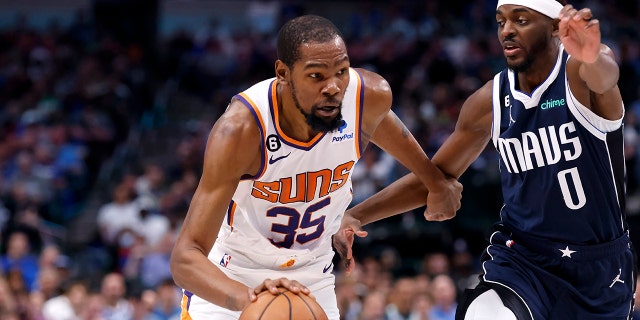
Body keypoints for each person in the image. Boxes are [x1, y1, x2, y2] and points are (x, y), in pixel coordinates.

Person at [334, 1, 635, 319]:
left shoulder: (578, 73)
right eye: (501, 21)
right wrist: (356, 216)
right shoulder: (489, 101)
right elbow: (437, 177)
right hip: (524, 261)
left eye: (521, 20)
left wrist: (592, 54)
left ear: (554, 28)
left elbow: (604, 75)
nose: (507, 30)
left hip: (600, 268)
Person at [169, 14, 462, 320]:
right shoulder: (242, 130)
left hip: (311, 277)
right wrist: (252, 301)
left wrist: (435, 182)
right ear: (283, 73)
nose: (333, 87)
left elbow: (408, 152)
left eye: (341, 71)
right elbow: (185, 259)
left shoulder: (365, 99)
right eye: (316, 76)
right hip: (234, 276)